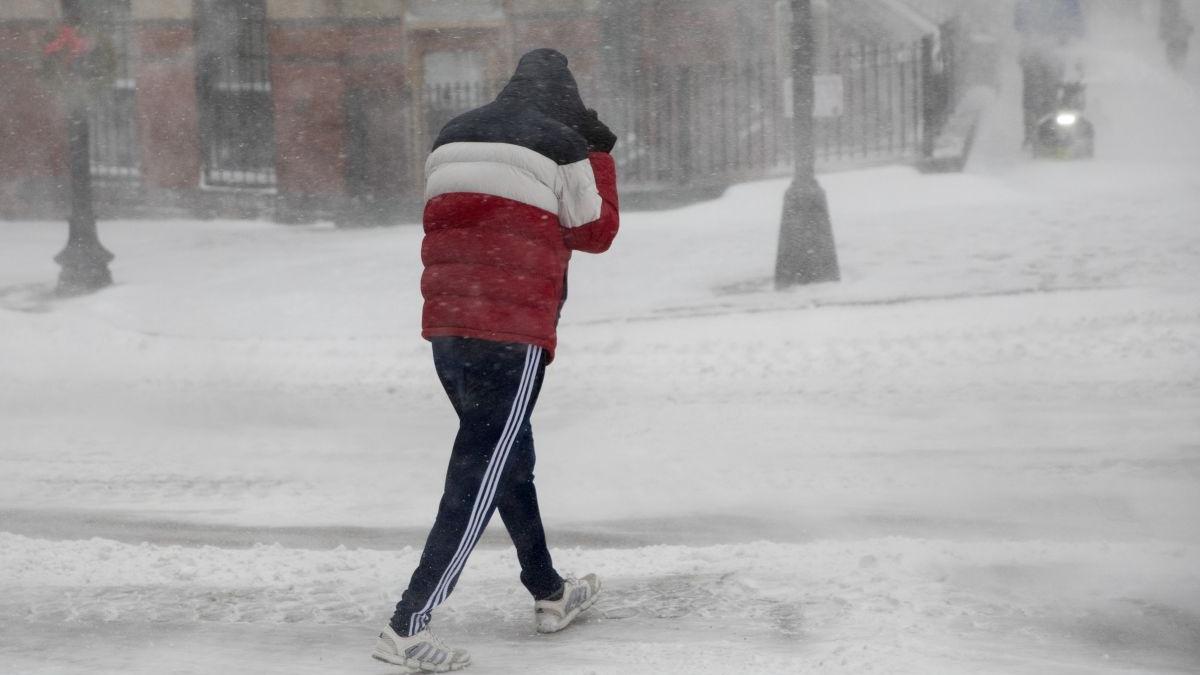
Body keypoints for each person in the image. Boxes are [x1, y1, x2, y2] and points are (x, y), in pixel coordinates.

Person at [371, 48, 620, 673]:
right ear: (565, 97)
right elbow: (595, 232)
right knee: (480, 470)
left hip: (448, 325)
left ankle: (550, 592)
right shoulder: (563, 143)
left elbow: (462, 218)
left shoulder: (450, 136)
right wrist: (599, 155)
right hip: (511, 329)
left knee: (508, 458)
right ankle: (409, 624)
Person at [1014, 0, 1087, 143]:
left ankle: (1042, 133)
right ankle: (1037, 133)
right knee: (1041, 94)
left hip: (1048, 52)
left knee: (1045, 93)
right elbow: (1077, 23)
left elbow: (1018, 22)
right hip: (1038, 52)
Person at [1160, 0, 1194, 71]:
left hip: (1178, 40)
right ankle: (1174, 67)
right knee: (1175, 53)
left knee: (1177, 53)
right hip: (1177, 40)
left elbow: (1190, 28)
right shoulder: (1172, 16)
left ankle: (1176, 67)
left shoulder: (1177, 16)